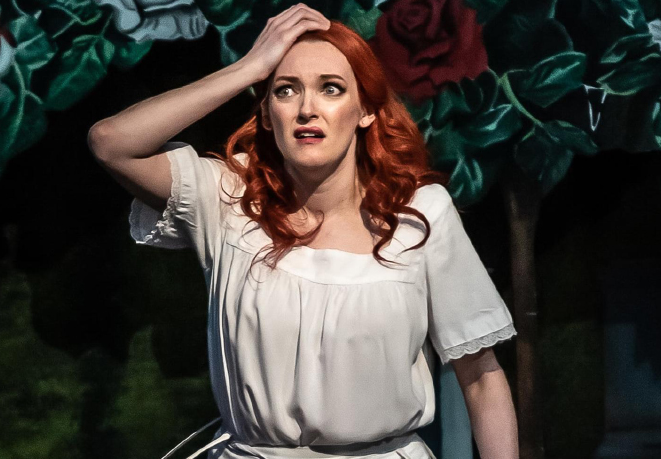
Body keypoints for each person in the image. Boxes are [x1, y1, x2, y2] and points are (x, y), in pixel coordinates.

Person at [87, 4, 519, 458]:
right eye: (286, 90)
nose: (307, 109)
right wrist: (249, 67)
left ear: (366, 110)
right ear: (268, 114)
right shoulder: (229, 198)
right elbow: (112, 143)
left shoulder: (419, 214)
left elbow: (482, 379)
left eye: (331, 89)